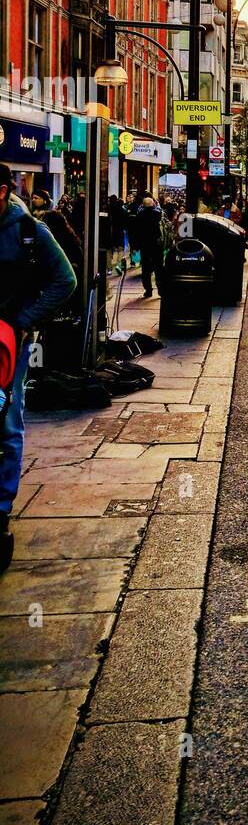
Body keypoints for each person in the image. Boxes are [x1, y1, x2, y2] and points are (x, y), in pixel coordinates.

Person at [0, 163, 77, 571]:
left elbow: (66, 281)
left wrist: (23, 322)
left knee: (7, 420)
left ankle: (1, 507)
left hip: (7, 345)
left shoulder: (30, 230)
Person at [30, 189, 83, 270]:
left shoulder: (54, 215)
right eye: (32, 198)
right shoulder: (31, 215)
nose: (33, 200)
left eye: (36, 198)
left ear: (44, 200)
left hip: (53, 251)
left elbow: (68, 234)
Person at [133, 195, 164, 297]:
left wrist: (136, 245)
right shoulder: (158, 214)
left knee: (145, 268)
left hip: (145, 245)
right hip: (157, 244)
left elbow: (136, 232)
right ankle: (160, 289)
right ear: (153, 204)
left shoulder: (139, 215)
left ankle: (148, 290)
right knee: (158, 268)